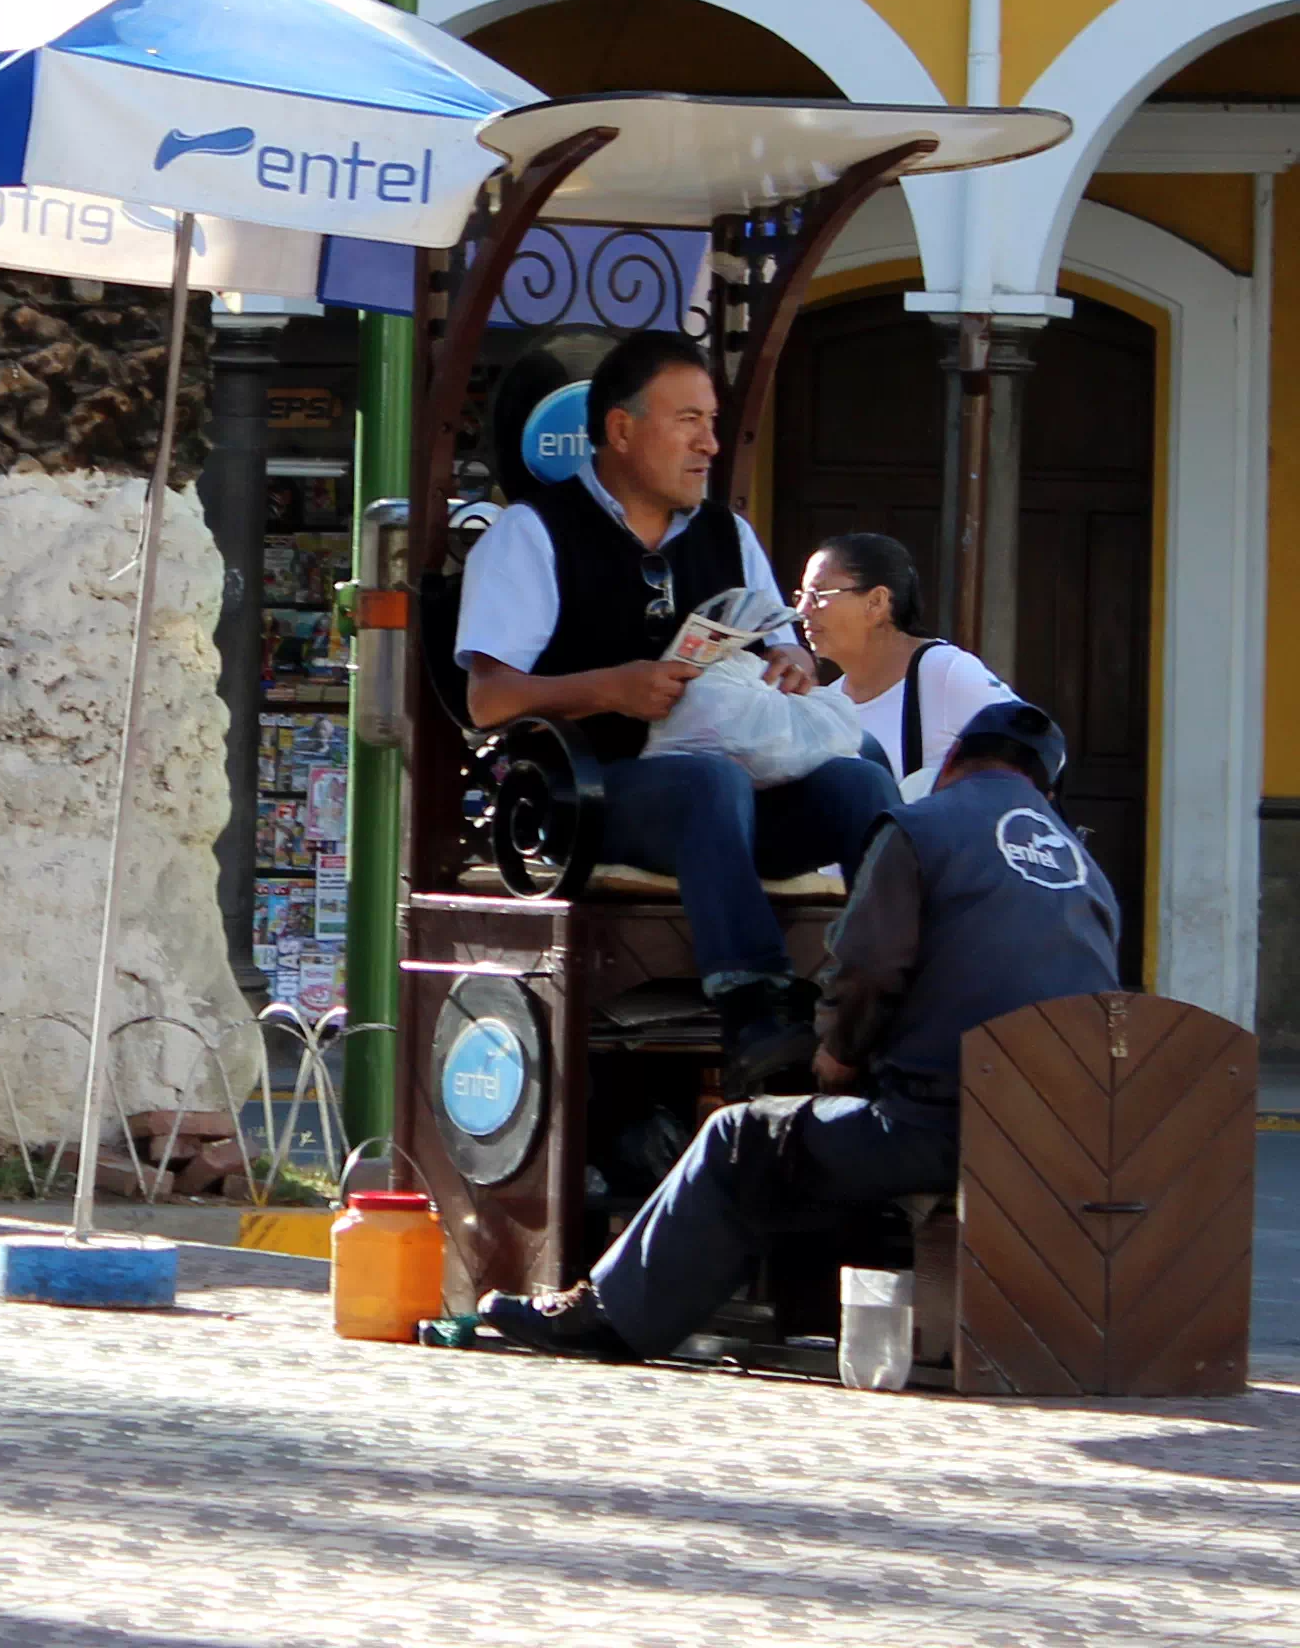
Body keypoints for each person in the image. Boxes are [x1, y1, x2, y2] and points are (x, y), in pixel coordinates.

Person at [478, 699, 1122, 1360]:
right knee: (806, 1140)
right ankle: (805, 1314)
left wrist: (839, 1054)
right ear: (1046, 790)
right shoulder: (1087, 870)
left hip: (939, 1128)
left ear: (951, 762)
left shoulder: (922, 826)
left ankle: (609, 1319)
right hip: (1056, 1133)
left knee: (740, 1138)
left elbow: (867, 970)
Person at [455, 330, 899, 1089]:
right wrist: (610, 688)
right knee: (706, 782)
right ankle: (757, 1012)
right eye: (688, 420)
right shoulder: (533, 533)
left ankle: (892, 1004)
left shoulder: (729, 535)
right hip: (591, 797)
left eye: (713, 423)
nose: (709, 444)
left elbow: (778, 643)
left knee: (860, 780)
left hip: (735, 805)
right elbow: (489, 698)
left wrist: (792, 660)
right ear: (621, 430)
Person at [796, 532, 1013, 798]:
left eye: (817, 595)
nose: (802, 611)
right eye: (801, 596)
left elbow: (1035, 750)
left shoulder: (945, 672)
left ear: (876, 602)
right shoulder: (828, 703)